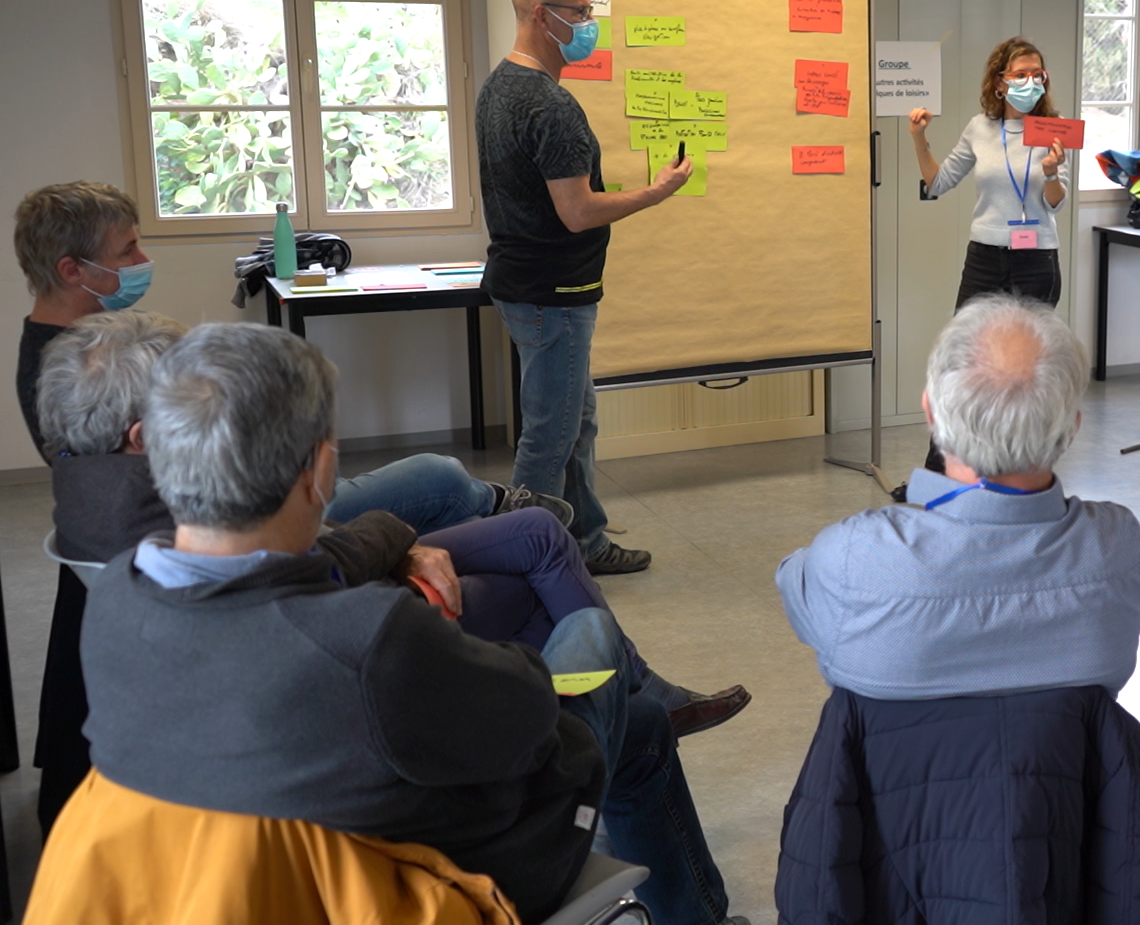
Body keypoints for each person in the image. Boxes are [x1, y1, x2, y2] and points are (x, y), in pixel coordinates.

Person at [75, 322, 740, 925]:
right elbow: (529, 719)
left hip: (248, 882)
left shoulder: (115, 598)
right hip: (444, 874)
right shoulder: (369, 639)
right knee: (595, 646)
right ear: (318, 471)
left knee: (645, 727)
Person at [12, 181, 562, 534]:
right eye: (127, 250)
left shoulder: (79, 348)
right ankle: (509, 515)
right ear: (71, 269)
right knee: (439, 478)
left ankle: (502, 518)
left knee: (455, 504)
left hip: (250, 499)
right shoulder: (76, 372)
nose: (143, 259)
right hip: (250, 516)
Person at [778, 294, 1140, 699]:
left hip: (901, 764)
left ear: (930, 410)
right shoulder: (1116, 544)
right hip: (1070, 763)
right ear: (1072, 427)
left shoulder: (854, 555)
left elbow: (794, 584)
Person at [477, 0, 694, 575]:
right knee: (550, 434)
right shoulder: (551, 106)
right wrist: (656, 192)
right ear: (542, 16)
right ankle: (523, 559)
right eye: (579, 12)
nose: (589, 25)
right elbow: (577, 212)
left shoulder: (498, 87)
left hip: (524, 283)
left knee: (577, 418)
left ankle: (588, 540)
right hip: (554, 290)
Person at [893, 37, 1068, 499]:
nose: (1030, 81)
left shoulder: (1053, 129)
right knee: (962, 365)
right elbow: (937, 182)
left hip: (1037, 260)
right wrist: (917, 136)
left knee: (1029, 372)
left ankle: (1019, 477)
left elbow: (1057, 203)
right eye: (1021, 73)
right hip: (986, 257)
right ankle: (936, 478)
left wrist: (1052, 172)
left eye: (1038, 74)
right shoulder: (979, 128)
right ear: (999, 81)